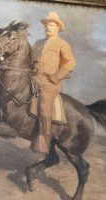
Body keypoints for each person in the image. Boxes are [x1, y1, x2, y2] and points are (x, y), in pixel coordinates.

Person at [31, 11, 76, 153]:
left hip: (49, 83)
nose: (47, 27)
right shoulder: (38, 43)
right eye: (46, 25)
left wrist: (57, 76)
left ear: (58, 28)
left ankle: (44, 140)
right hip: (34, 78)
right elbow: (32, 61)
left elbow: (70, 62)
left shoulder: (62, 44)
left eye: (51, 25)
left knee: (44, 107)